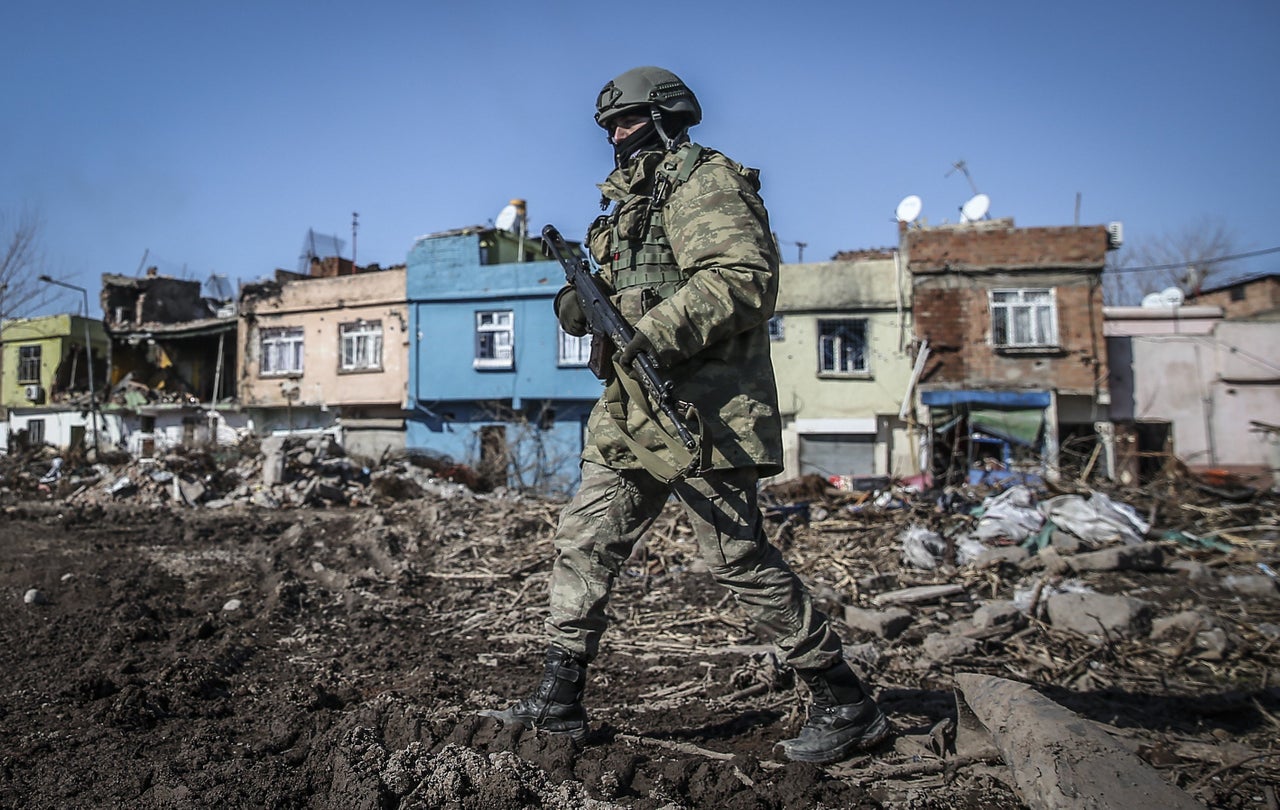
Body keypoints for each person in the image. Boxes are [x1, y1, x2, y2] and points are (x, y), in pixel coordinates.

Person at [483, 66, 890, 764]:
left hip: (702, 408)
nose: (615, 135)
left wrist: (652, 335)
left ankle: (843, 699)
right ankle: (559, 697)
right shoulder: (622, 207)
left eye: (628, 120)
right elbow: (595, 299)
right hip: (627, 407)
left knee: (735, 555)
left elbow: (743, 279)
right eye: (608, 125)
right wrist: (578, 301)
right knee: (585, 540)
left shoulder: (706, 182)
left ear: (668, 117)